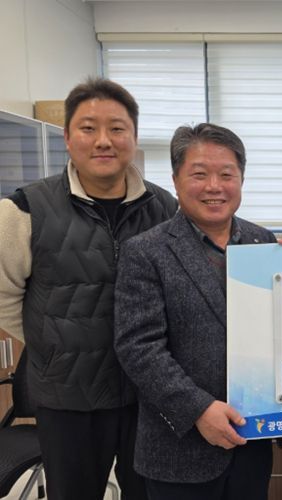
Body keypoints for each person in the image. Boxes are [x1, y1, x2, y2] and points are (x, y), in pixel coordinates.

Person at [0, 77, 177, 500]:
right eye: (88, 128)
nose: (103, 141)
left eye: (117, 128)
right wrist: (51, 343)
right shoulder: (25, 209)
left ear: (134, 137)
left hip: (146, 395)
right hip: (67, 399)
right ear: (67, 137)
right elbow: (5, 296)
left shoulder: (165, 208)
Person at [114, 123, 276, 500]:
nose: (214, 186)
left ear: (241, 180)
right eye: (199, 174)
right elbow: (138, 348)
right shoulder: (145, 252)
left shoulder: (263, 243)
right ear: (175, 180)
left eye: (227, 175)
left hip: (252, 441)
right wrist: (198, 409)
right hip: (178, 449)